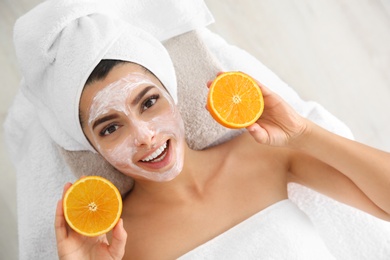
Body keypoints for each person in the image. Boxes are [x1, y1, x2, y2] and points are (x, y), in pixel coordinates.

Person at [54, 60, 390, 259]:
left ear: (173, 98)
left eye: (149, 102)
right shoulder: (119, 241)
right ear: (94, 148)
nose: (143, 135)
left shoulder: (263, 155)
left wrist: (303, 133)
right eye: (111, 127)